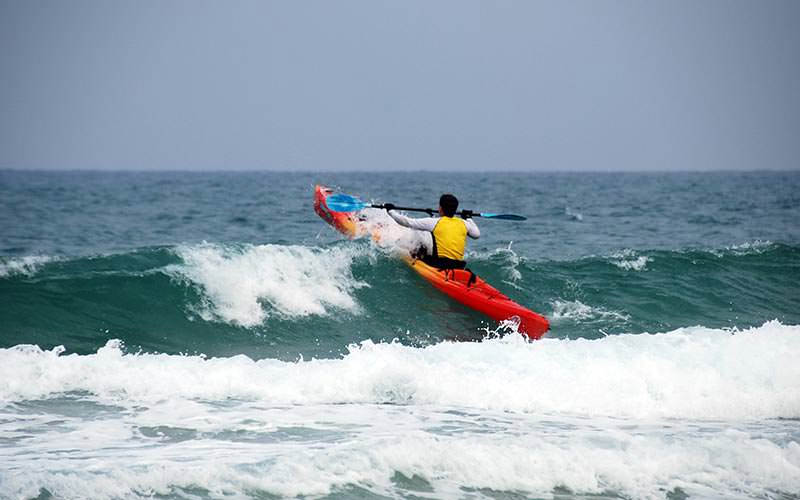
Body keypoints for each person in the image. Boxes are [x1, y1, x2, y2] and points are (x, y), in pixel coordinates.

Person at [384, 194, 479, 270]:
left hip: (439, 265)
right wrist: (468, 218)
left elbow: (407, 222)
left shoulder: (434, 222)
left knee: (421, 247)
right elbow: (476, 235)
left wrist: (390, 211)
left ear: (440, 208)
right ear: (455, 209)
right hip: (459, 266)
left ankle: (417, 258)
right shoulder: (464, 223)